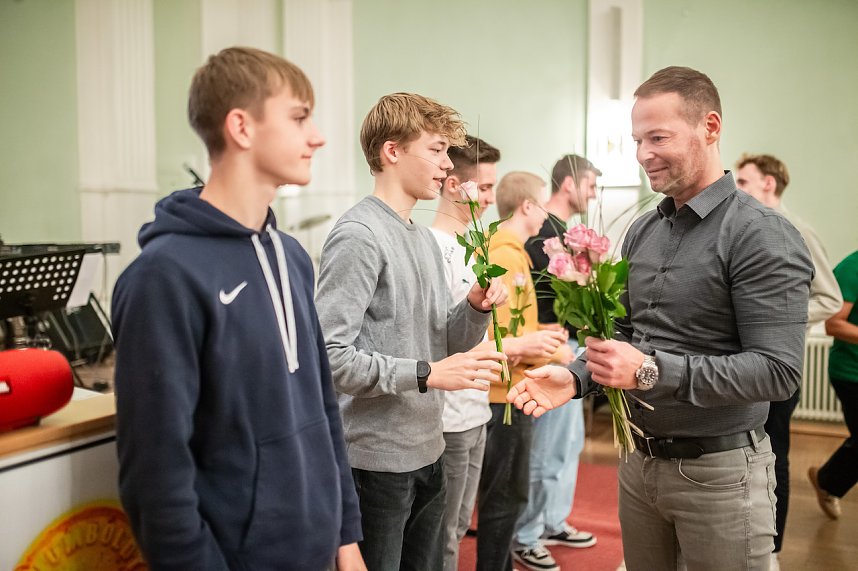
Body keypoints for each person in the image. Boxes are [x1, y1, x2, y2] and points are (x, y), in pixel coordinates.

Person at [507, 66, 814, 571]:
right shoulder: (643, 231)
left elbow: (777, 372)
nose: (643, 153)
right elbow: (626, 336)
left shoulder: (760, 234)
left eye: (658, 137)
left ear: (710, 127)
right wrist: (576, 376)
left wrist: (649, 371)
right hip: (639, 466)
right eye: (637, 139)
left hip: (719, 473)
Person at [111, 47, 365, 570]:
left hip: (317, 550)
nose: (316, 136)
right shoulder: (164, 277)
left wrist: (346, 541)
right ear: (241, 128)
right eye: (299, 118)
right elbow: (156, 474)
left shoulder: (292, 257)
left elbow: (321, 409)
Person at [315, 93, 508, 571]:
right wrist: (425, 374)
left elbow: (443, 340)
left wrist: (475, 306)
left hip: (429, 448)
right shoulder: (359, 234)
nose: (447, 166)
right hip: (374, 461)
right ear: (392, 152)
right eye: (437, 150)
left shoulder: (420, 237)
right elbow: (330, 357)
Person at [735, 153, 842, 566]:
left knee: (774, 453)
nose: (736, 188)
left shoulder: (796, 230)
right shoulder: (741, 229)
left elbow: (830, 297)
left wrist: (777, 316)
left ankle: (771, 549)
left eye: (743, 181)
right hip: (743, 364)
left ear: (769, 184)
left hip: (777, 363)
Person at [477, 171, 574, 571]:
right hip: (504, 394)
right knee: (505, 498)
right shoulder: (504, 254)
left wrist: (540, 331)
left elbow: (514, 327)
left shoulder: (513, 251)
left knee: (511, 494)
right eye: (541, 204)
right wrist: (540, 349)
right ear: (528, 206)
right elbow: (496, 337)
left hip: (513, 388)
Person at [510, 155, 602, 571]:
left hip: (569, 345)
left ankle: (552, 521)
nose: (594, 194)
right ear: (568, 184)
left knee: (568, 445)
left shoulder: (566, 232)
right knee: (545, 450)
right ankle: (526, 534)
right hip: (548, 344)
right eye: (591, 185)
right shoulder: (540, 233)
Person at [808, 250, 858, 520]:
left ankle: (828, 481)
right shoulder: (853, 267)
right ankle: (828, 482)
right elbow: (834, 324)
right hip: (851, 374)